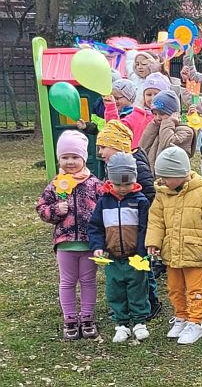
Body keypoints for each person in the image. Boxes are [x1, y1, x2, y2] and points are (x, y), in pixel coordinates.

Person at [147, 146, 202, 344]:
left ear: (180, 174)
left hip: (194, 250)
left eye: (166, 176)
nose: (162, 181)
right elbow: (156, 220)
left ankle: (195, 322)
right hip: (172, 250)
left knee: (195, 289)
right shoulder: (162, 195)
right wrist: (153, 242)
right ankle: (181, 316)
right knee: (174, 287)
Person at [36, 131, 102, 340]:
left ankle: (87, 317)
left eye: (75, 157)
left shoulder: (94, 183)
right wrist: (56, 210)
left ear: (83, 157)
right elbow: (41, 207)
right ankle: (70, 319)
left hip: (89, 243)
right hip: (65, 244)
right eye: (65, 157)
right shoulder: (56, 184)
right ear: (59, 159)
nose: (70, 162)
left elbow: (103, 209)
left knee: (88, 281)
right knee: (67, 281)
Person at [87, 153, 152, 342]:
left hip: (136, 256)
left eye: (127, 184)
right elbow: (95, 227)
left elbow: (144, 228)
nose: (123, 189)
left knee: (138, 287)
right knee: (114, 289)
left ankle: (140, 321)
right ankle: (121, 323)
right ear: (109, 181)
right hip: (113, 256)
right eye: (118, 184)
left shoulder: (140, 202)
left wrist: (142, 252)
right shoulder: (103, 202)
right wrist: (98, 246)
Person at [139, 76, 195, 165]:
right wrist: (153, 125)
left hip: (171, 176)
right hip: (154, 175)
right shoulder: (158, 127)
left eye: (162, 114)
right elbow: (143, 148)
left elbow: (168, 147)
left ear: (174, 114)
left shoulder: (186, 131)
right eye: (155, 114)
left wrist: (168, 122)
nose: (157, 118)